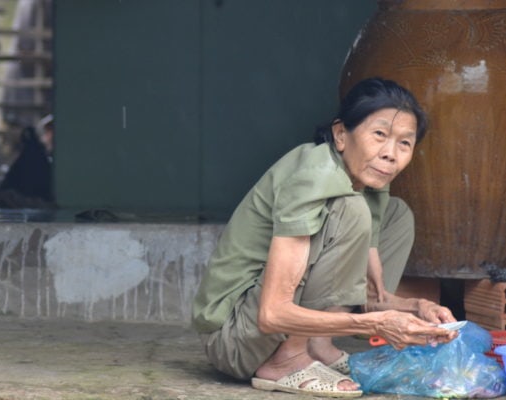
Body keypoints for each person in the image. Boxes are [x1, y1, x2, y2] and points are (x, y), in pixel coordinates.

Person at [191, 77, 458, 398]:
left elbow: (371, 298)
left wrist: (417, 308)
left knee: (397, 214)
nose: (391, 154)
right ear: (341, 135)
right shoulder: (314, 177)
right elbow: (272, 314)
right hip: (235, 338)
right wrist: (377, 325)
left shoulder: (370, 184)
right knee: (350, 207)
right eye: (379, 134)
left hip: (268, 327)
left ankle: (317, 344)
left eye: (405, 142)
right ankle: (286, 359)